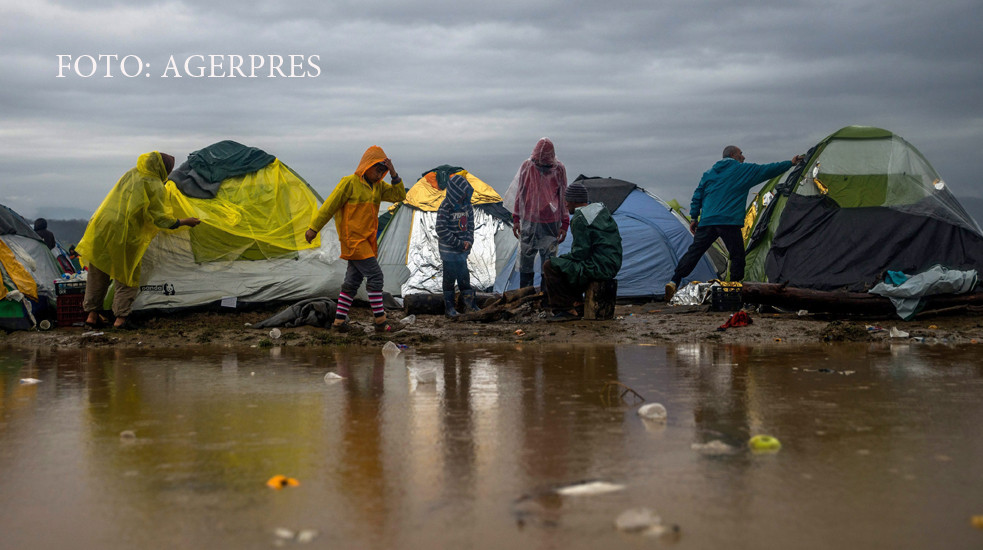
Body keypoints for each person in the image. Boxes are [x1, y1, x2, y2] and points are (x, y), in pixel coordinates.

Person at [76, 151, 201, 329]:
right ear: (163, 168)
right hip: (125, 232)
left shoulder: (131, 174)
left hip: (101, 227)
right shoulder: (154, 184)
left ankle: (92, 315)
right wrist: (185, 222)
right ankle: (121, 319)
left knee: (98, 272)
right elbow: (162, 220)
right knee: (126, 275)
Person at [664, 146, 803, 302]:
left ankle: (674, 281)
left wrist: (694, 217)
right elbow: (768, 169)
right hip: (728, 221)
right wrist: (790, 163)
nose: (743, 157)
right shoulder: (742, 170)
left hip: (708, 220)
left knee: (694, 253)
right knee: (737, 256)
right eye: (741, 154)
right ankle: (734, 290)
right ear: (733, 155)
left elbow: (698, 195)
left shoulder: (709, 173)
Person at [304, 146, 406, 333]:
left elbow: (400, 195)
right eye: (378, 169)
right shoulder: (349, 183)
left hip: (367, 242)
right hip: (353, 241)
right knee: (376, 276)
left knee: (352, 282)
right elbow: (329, 207)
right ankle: (380, 321)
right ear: (366, 165)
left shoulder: (379, 187)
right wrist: (313, 229)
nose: (379, 174)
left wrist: (393, 173)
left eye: (382, 171)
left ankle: (339, 322)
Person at [541, 182, 622, 321]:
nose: (565, 204)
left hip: (599, 267)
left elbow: (580, 253)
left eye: (567, 200)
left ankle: (565, 309)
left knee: (550, 266)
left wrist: (561, 258)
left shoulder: (580, 218)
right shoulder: (600, 211)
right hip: (611, 264)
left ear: (574, 200)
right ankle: (577, 305)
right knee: (569, 266)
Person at [503, 137, 569, 289]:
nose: (540, 167)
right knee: (526, 260)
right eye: (538, 163)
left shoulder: (558, 169)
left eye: (544, 164)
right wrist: (516, 219)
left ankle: (546, 297)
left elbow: (563, 195)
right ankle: (526, 295)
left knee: (548, 262)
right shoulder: (528, 166)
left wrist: (564, 224)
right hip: (529, 220)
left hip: (550, 222)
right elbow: (520, 193)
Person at [435, 173, 478, 317]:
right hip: (449, 252)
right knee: (449, 279)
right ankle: (449, 308)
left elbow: (470, 226)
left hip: (462, 252)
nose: (463, 197)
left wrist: (469, 242)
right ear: (455, 192)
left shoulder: (467, 206)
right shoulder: (446, 206)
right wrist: (458, 243)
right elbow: (441, 229)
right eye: (462, 194)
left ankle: (469, 305)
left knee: (464, 277)